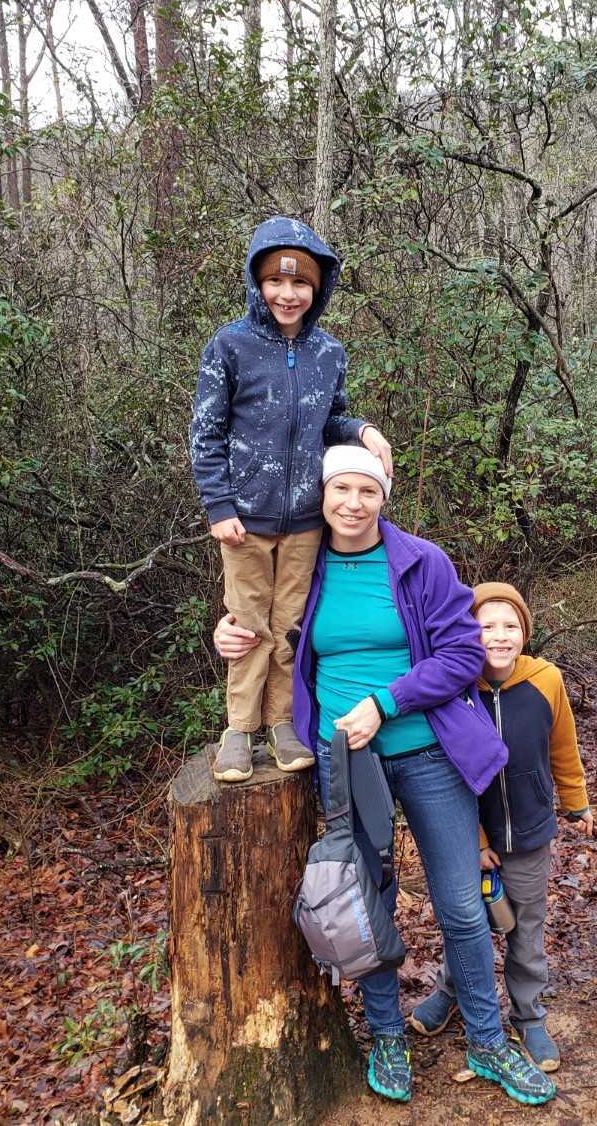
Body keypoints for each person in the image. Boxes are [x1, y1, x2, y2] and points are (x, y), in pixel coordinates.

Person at [213, 446, 557, 1108]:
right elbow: (258, 614)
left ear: (383, 496)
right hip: (346, 762)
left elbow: (462, 653)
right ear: (323, 494)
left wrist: (387, 701)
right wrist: (229, 633)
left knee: (460, 904)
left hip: (428, 751)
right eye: (340, 489)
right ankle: (387, 1038)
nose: (352, 502)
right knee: (363, 906)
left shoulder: (420, 562)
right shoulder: (306, 564)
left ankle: (488, 1042)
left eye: (366, 491)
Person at [191, 216, 392, 783]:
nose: (287, 294)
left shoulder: (328, 351)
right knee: (248, 623)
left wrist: (363, 431)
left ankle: (281, 723)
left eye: (300, 284)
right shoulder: (229, 345)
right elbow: (205, 433)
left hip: (306, 519)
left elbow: (333, 420)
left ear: (317, 289)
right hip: (244, 520)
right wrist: (219, 506)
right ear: (257, 284)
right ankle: (238, 730)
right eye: (276, 283)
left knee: (291, 625)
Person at [407, 582, 592, 1073]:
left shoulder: (546, 680)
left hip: (531, 833)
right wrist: (477, 842)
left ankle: (529, 1017)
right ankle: (451, 990)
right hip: (471, 835)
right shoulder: (456, 687)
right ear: (468, 632)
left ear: (525, 632)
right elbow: (445, 775)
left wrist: (577, 804)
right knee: (469, 922)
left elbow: (563, 748)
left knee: (524, 927)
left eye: (510, 626)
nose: (499, 637)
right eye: (486, 626)